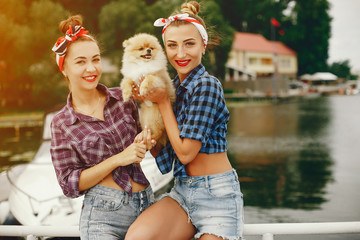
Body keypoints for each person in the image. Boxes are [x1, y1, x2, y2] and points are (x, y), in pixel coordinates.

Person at [125, 1, 244, 240]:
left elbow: (186, 153)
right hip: (182, 191)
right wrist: (151, 140)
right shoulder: (174, 86)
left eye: (189, 44)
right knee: (137, 237)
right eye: (172, 45)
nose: (180, 54)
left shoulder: (207, 85)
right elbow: (169, 161)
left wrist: (163, 102)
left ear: (203, 45)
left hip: (217, 195)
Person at [50, 15, 156, 239]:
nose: (91, 68)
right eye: (80, 62)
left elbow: (144, 139)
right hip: (102, 218)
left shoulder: (123, 98)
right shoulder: (62, 123)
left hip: (146, 205)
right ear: (64, 69)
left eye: (96, 59)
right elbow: (69, 185)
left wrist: (145, 141)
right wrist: (119, 158)